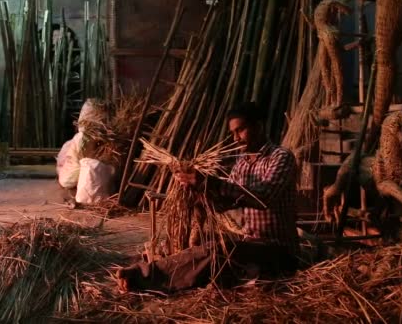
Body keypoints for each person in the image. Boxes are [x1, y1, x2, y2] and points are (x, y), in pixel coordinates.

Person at [116, 102, 300, 292]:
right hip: (248, 243)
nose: (236, 139)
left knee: (216, 250)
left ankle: (143, 278)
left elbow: (264, 197)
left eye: (241, 130)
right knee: (190, 242)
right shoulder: (242, 164)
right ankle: (145, 266)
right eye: (233, 133)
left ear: (259, 126)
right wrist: (200, 192)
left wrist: (212, 183)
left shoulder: (281, 157)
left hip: (277, 249)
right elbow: (225, 204)